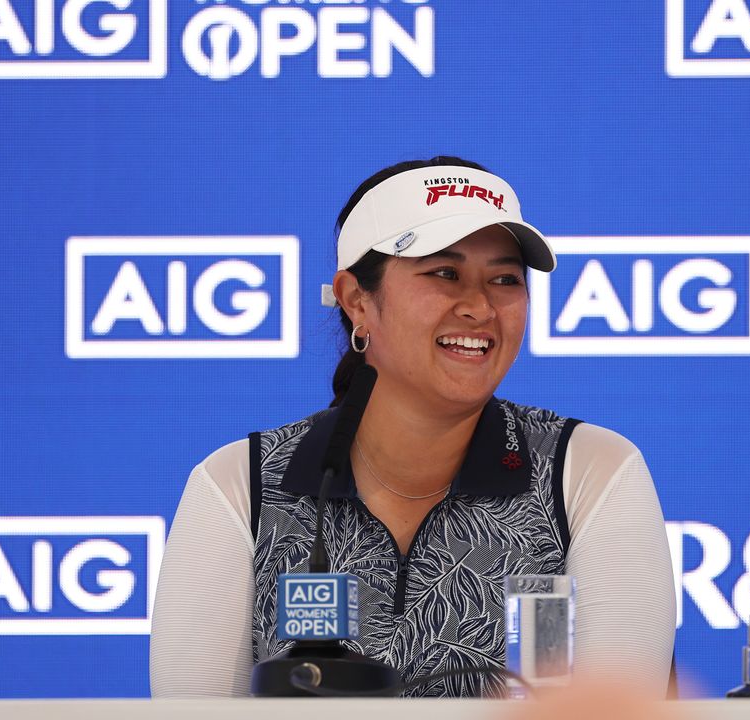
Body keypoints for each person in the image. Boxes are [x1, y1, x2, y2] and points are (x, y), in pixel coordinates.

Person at [149, 157, 675, 698]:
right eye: (444, 273)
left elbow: (623, 710)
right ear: (357, 300)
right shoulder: (242, 483)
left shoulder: (590, 473)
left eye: (504, 279)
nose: (479, 307)